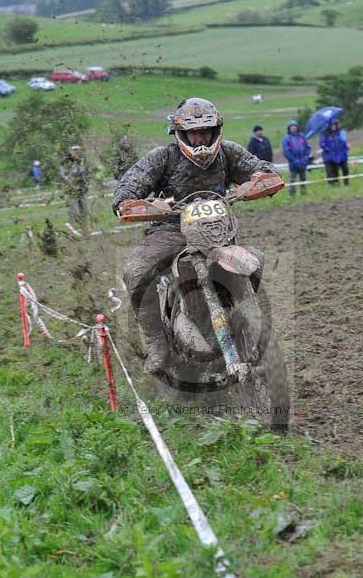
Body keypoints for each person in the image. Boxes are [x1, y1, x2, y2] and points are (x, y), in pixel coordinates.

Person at [112, 97, 280, 375]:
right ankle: (156, 343)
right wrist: (146, 205)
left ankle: (256, 329)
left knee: (256, 260)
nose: (200, 138)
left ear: (215, 131)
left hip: (217, 233)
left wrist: (253, 185)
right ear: (181, 133)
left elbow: (265, 171)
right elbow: (125, 192)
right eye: (194, 132)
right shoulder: (162, 157)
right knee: (136, 271)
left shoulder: (228, 153)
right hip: (170, 230)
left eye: (206, 131)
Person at [59, 144, 90, 226]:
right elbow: (63, 175)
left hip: (82, 186)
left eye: (77, 150)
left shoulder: (82, 160)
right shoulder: (65, 161)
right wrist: (70, 184)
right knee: (73, 206)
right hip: (71, 187)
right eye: (74, 150)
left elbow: (87, 172)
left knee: (83, 206)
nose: (76, 152)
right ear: (70, 150)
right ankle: (72, 223)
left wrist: (86, 181)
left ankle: (84, 222)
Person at [282, 120, 311, 196]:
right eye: (292, 127)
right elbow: (286, 151)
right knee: (292, 180)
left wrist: (306, 157)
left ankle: (304, 193)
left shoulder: (302, 137)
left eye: (295, 126)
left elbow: (307, 147)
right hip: (293, 163)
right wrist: (293, 160)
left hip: (303, 162)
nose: (294, 128)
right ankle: (292, 195)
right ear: (289, 128)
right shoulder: (287, 138)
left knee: (303, 179)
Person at [319, 120, 349, 186]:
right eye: (332, 125)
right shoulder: (324, 134)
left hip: (340, 155)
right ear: (329, 126)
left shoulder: (340, 132)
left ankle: (346, 183)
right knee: (332, 173)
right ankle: (334, 185)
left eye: (334, 124)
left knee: (345, 170)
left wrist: (346, 148)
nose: (333, 126)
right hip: (329, 157)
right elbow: (322, 144)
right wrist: (327, 149)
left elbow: (344, 142)